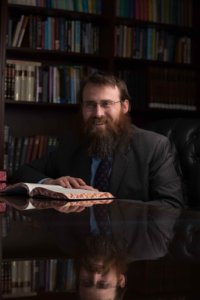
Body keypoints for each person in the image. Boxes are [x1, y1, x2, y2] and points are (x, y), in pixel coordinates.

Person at [12, 71, 184, 212]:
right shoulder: (71, 142)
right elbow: (23, 172)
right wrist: (50, 183)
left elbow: (172, 206)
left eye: (106, 104)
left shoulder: (153, 146)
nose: (98, 113)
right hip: (82, 240)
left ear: (125, 107)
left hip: (130, 246)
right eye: (90, 105)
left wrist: (104, 202)